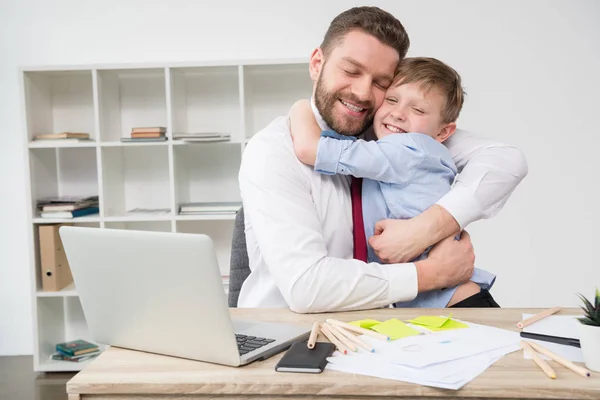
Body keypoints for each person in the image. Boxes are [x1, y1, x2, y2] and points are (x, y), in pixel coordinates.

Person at [237, 6, 527, 313]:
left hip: (379, 328)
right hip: (287, 333)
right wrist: (430, 274)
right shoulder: (274, 151)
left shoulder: (393, 135)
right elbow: (307, 288)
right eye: (351, 71)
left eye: (380, 83)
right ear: (316, 63)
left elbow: (505, 161)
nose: (362, 93)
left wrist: (426, 228)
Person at [288, 57, 497, 308]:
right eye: (391, 100)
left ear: (443, 132)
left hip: (456, 302)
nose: (398, 114)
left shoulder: (410, 149)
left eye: (418, 110)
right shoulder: (394, 151)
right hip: (437, 301)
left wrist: (299, 108)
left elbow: (312, 149)